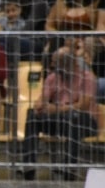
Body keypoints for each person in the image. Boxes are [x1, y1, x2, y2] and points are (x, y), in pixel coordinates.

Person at [21, 48, 99, 180]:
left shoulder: (87, 78)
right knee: (32, 116)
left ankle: (69, 168)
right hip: (60, 119)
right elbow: (43, 99)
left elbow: (82, 105)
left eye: (56, 63)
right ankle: (29, 166)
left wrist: (55, 109)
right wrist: (39, 105)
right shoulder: (52, 78)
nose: (53, 66)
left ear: (70, 63)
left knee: (73, 118)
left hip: (85, 121)